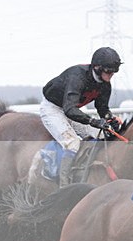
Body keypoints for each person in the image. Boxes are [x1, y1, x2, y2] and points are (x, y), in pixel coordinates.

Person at [40, 46, 123, 186]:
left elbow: (102, 108)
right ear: (97, 67)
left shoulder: (105, 84)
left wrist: (110, 119)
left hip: (73, 109)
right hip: (53, 109)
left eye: (113, 72)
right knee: (72, 143)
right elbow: (69, 109)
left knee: (99, 136)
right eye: (108, 71)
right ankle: (64, 186)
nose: (111, 75)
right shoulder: (77, 77)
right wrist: (93, 121)